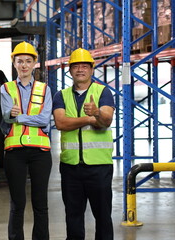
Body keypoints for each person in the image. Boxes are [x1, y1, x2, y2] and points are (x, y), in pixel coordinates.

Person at [52, 48, 115, 240]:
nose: (80, 70)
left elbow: (106, 121)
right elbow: (61, 123)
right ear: (70, 70)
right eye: (76, 66)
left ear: (92, 69)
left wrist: (97, 113)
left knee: (103, 217)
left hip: (99, 167)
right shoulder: (61, 95)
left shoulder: (103, 92)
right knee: (73, 217)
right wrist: (88, 120)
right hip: (71, 167)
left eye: (85, 66)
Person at [0, 41, 52, 240]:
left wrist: (19, 117)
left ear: (34, 64)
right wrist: (20, 117)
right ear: (14, 63)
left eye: (28, 61)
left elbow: (44, 119)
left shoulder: (44, 89)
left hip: (40, 153)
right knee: (17, 203)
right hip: (15, 153)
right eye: (20, 61)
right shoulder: (6, 88)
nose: (24, 65)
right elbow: (6, 118)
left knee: (41, 203)